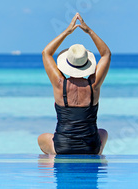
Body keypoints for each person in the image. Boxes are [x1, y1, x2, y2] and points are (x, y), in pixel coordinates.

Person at [38, 13, 110, 155]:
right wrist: (88, 30)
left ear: (67, 63)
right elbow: (106, 54)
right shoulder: (93, 85)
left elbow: (46, 53)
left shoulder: (59, 84)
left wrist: (67, 31)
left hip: (62, 147)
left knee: (42, 138)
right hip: (91, 148)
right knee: (103, 133)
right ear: (86, 64)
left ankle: (53, 163)